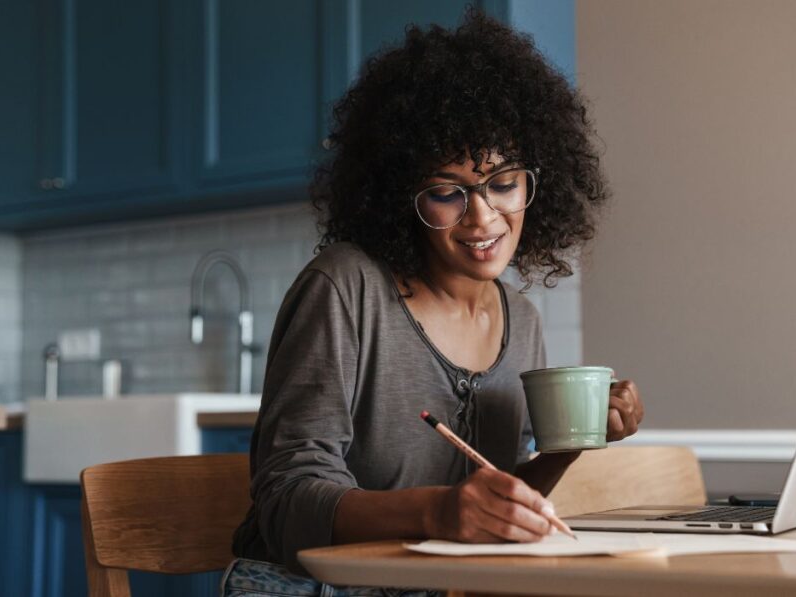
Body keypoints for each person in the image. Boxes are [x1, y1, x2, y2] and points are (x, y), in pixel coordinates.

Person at [223, 10, 644, 596]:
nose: (482, 216)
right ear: (399, 196)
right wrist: (438, 512)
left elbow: (486, 501)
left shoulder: (519, 320)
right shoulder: (345, 288)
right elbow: (289, 505)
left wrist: (569, 444)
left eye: (503, 183)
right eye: (447, 192)